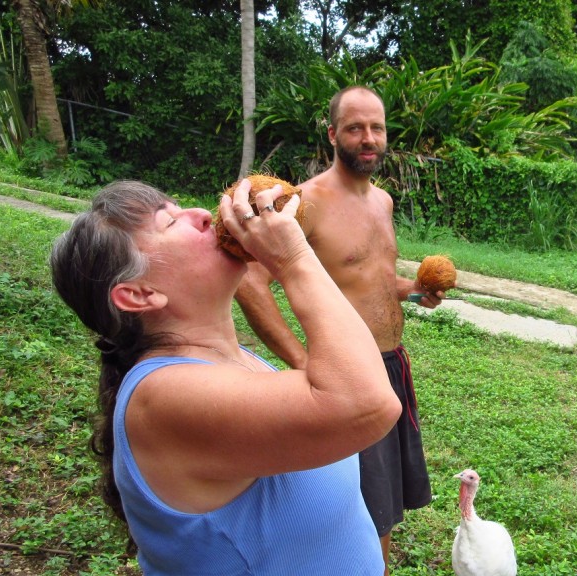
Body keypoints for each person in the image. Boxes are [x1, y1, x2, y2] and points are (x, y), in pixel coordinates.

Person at [48, 178, 401, 575]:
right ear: (140, 294)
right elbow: (368, 402)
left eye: (180, 206)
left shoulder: (236, 364)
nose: (201, 214)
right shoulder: (163, 396)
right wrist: (292, 258)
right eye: (170, 222)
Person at [234, 85, 447, 574]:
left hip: (392, 368)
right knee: (362, 511)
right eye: (355, 127)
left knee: (385, 507)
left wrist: (415, 290)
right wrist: (303, 361)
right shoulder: (304, 202)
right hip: (349, 373)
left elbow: (373, 280)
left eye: (376, 127)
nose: (368, 137)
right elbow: (251, 281)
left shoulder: (384, 202)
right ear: (332, 134)